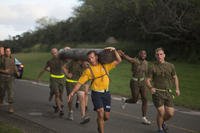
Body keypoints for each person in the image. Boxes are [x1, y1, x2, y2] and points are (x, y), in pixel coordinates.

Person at [68, 47, 121, 133]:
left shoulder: (105, 65)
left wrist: (114, 50)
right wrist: (72, 92)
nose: (91, 60)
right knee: (100, 113)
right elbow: (79, 83)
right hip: (96, 94)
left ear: (96, 57)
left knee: (106, 117)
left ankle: (99, 122)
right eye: (89, 59)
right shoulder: (88, 71)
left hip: (106, 93)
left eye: (92, 57)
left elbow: (119, 60)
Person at [146, 48, 180, 133]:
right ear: (155, 56)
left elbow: (175, 77)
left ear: (164, 55)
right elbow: (148, 80)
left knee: (170, 113)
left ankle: (162, 122)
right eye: (157, 55)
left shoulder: (170, 66)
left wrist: (177, 89)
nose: (159, 56)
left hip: (168, 92)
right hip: (157, 93)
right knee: (161, 112)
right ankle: (160, 129)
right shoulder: (152, 67)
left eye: (161, 54)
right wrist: (151, 88)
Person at [118, 50, 151, 125]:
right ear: (139, 54)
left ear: (146, 55)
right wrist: (122, 54)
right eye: (141, 53)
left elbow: (146, 74)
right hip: (134, 82)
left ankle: (144, 118)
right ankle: (125, 101)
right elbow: (128, 58)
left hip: (142, 82)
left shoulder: (146, 63)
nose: (143, 55)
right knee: (135, 100)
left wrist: (149, 84)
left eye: (145, 53)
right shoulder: (135, 61)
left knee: (145, 99)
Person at [37, 48, 68, 117]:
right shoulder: (50, 61)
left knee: (60, 95)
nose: (54, 54)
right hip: (54, 79)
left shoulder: (62, 60)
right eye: (53, 53)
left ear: (58, 53)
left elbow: (69, 59)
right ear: (51, 54)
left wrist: (67, 49)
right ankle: (60, 110)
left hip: (62, 80)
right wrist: (39, 77)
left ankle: (57, 105)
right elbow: (44, 69)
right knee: (57, 94)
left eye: (56, 53)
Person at [65, 60, 90, 124]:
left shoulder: (88, 68)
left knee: (82, 97)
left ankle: (83, 116)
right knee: (70, 99)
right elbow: (64, 67)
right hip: (70, 83)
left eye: (88, 63)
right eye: (86, 63)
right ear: (82, 62)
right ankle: (70, 111)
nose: (88, 65)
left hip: (80, 84)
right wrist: (67, 74)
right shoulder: (73, 62)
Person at [0, 47, 19, 113]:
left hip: (10, 78)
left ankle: (11, 108)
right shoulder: (1, 58)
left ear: (10, 52)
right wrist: (3, 71)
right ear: (4, 52)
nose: (8, 52)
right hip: (2, 78)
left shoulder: (12, 58)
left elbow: (14, 66)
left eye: (9, 51)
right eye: (6, 51)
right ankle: (1, 100)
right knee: (2, 91)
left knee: (10, 92)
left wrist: (17, 72)